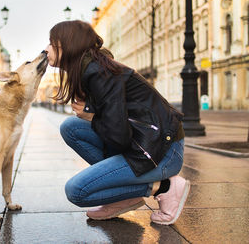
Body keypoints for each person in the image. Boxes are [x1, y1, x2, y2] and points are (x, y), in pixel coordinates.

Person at [44, 20, 190, 225]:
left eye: (51, 43)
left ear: (67, 45)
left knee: (76, 191)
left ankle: (164, 187)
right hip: (145, 144)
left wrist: (92, 117)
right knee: (71, 128)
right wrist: (93, 115)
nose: (46, 48)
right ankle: (126, 196)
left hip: (161, 153)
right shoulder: (92, 69)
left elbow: (119, 137)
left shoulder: (99, 73)